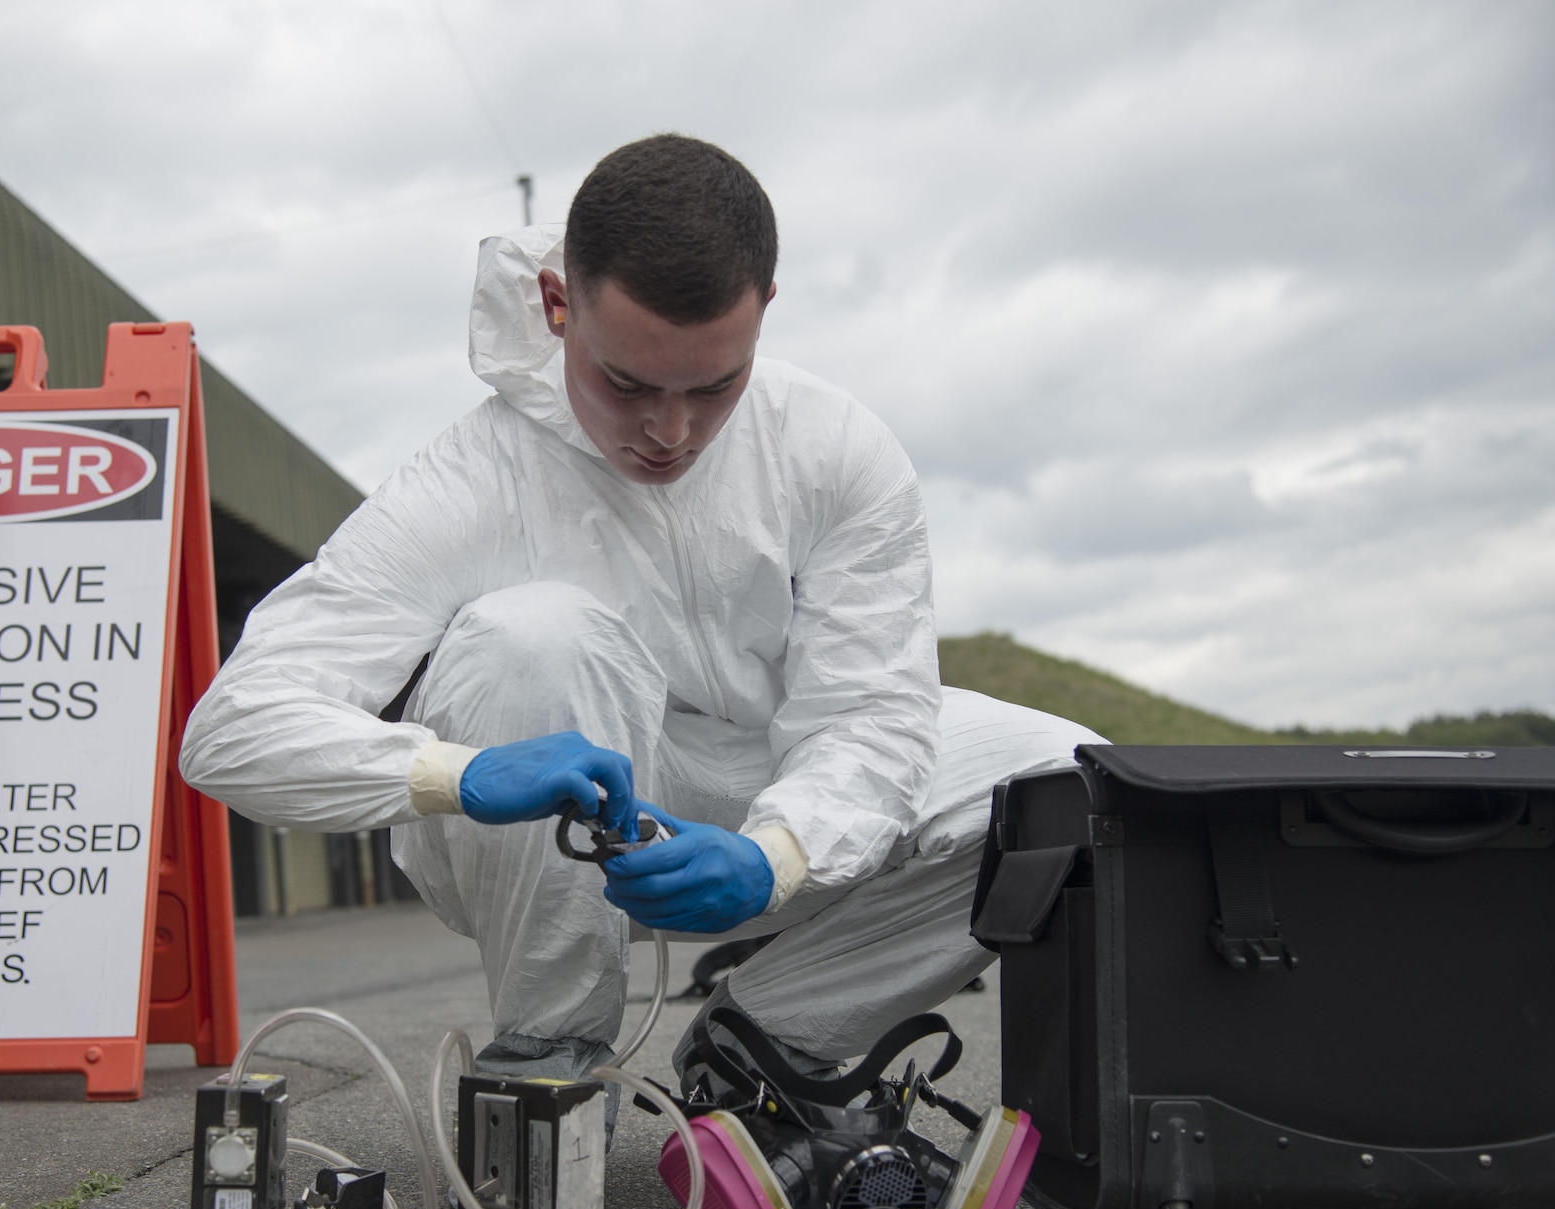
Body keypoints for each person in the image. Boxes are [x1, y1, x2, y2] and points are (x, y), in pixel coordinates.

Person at [181, 135, 1100, 1110]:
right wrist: (453, 772)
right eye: (626, 384)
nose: (670, 433)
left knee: (1073, 790)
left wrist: (780, 853)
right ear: (554, 305)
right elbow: (231, 732)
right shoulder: (465, 482)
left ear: (764, 314)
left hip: (766, 794)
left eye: (712, 386)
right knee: (533, 637)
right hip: (550, 824)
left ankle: (768, 1036)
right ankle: (550, 1051)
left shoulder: (833, 450)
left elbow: (869, 714)